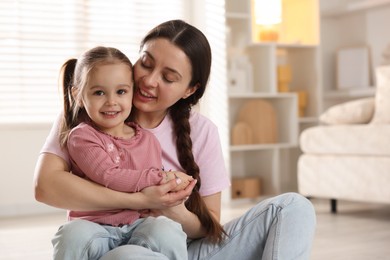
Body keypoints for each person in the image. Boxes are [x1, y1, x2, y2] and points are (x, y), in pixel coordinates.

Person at [34, 20, 316, 260]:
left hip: (181, 247)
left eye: (168, 77)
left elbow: (209, 227)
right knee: (128, 255)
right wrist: (139, 199)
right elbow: (46, 187)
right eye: (145, 63)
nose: (149, 81)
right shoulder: (91, 112)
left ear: (189, 90)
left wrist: (170, 208)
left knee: (293, 207)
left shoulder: (201, 130)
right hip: (111, 245)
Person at [52, 46, 194, 259]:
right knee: (72, 235)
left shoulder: (148, 140)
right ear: (78, 96)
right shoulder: (82, 136)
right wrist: (164, 178)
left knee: (168, 230)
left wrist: (174, 186)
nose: (111, 101)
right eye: (99, 92)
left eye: (121, 92)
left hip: (138, 224)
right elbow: (110, 175)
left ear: (131, 91)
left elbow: (153, 185)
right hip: (95, 228)